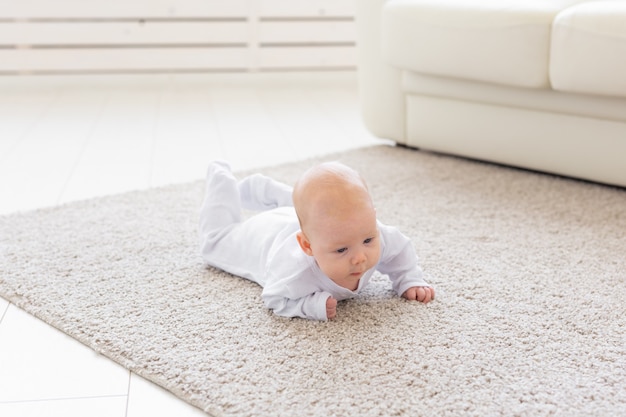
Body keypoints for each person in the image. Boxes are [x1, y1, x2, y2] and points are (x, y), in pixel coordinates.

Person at [199, 160, 435, 321]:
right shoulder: (294, 274)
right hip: (264, 236)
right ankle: (222, 181)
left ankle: (268, 192)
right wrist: (309, 306)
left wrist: (409, 279)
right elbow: (274, 297)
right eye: (342, 249)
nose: (360, 257)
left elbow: (400, 249)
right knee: (214, 243)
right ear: (307, 247)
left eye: (368, 240)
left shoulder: (365, 231)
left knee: (318, 208)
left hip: (309, 224)